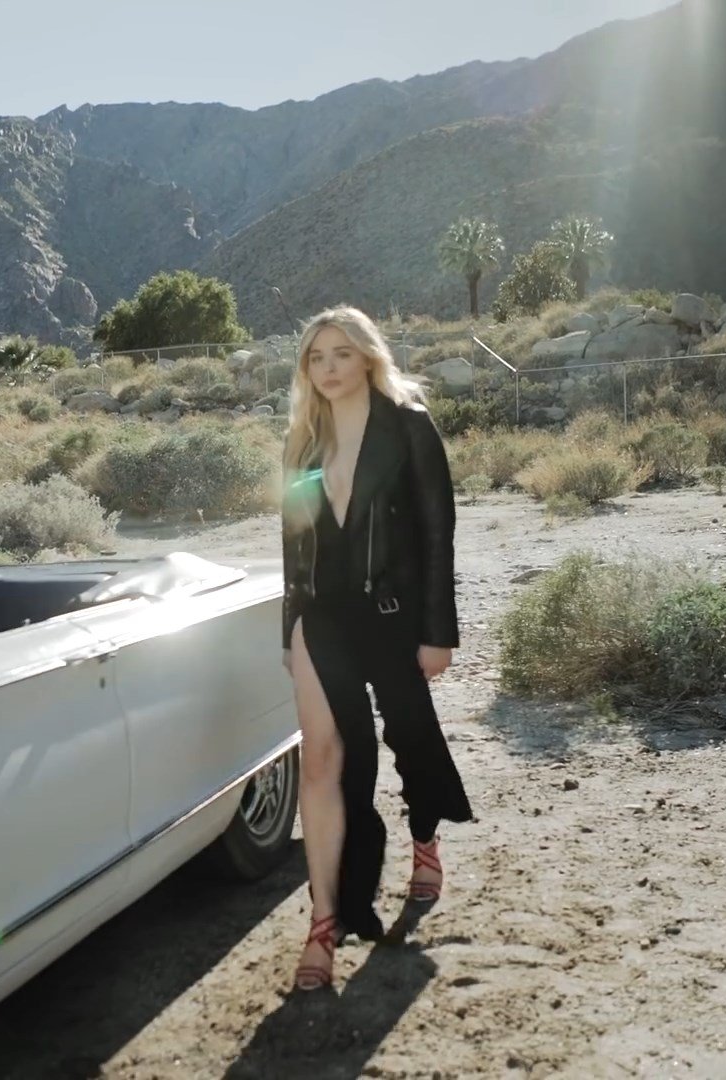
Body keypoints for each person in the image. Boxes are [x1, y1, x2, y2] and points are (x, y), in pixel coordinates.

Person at [279, 305, 475, 992]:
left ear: (367, 356)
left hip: (392, 616)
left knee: (411, 738)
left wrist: (438, 633)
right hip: (321, 619)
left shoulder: (409, 426)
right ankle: (326, 921)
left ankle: (425, 835)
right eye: (316, 357)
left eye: (341, 353)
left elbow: (438, 533)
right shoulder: (303, 440)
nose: (328, 368)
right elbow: (293, 542)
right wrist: (290, 628)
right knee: (327, 759)